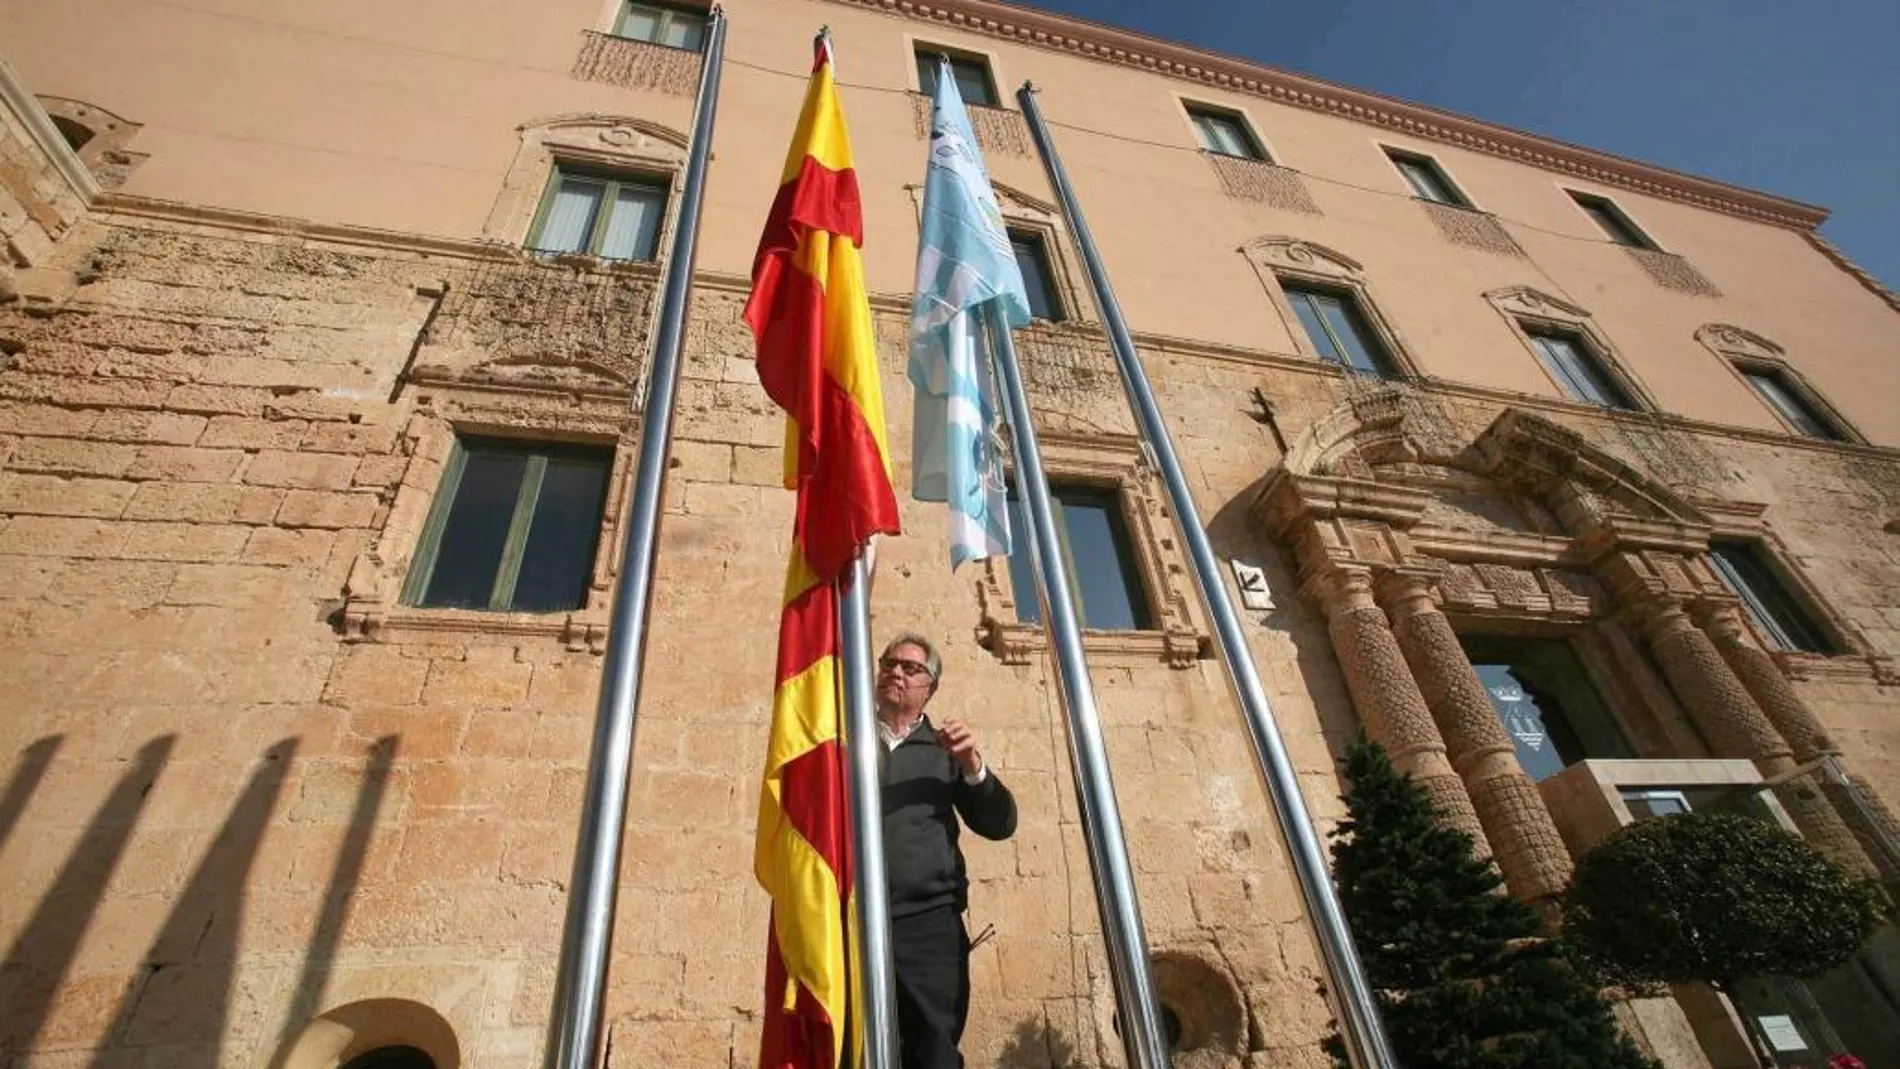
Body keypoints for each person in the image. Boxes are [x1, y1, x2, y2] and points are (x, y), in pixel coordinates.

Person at [875, 631, 1017, 1069]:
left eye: (910, 667)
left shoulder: (944, 752)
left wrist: (972, 765)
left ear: (929, 687)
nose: (896, 671)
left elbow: (1000, 824)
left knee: (933, 1052)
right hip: (850, 923)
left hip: (928, 927)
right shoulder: (848, 742)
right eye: (888, 663)